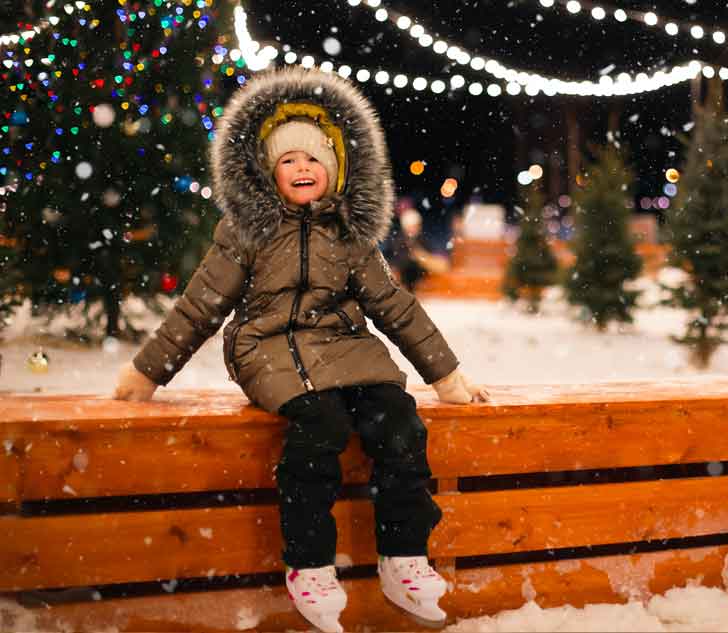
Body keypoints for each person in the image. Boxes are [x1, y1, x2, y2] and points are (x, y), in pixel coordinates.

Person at [112, 67, 489, 633]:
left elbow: (393, 305)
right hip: (265, 345)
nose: (303, 168)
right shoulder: (246, 230)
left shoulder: (348, 234)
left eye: (314, 159)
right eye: (289, 160)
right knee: (321, 424)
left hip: (343, 343)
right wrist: (147, 373)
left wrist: (446, 375)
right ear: (269, 171)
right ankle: (310, 564)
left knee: (399, 420)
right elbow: (200, 306)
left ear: (334, 170)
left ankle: (404, 558)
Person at [384, 206, 450, 292]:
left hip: (417, 272)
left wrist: (422, 257)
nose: (415, 228)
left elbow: (430, 257)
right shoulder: (398, 241)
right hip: (405, 272)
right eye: (412, 226)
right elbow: (393, 259)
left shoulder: (421, 240)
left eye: (417, 225)